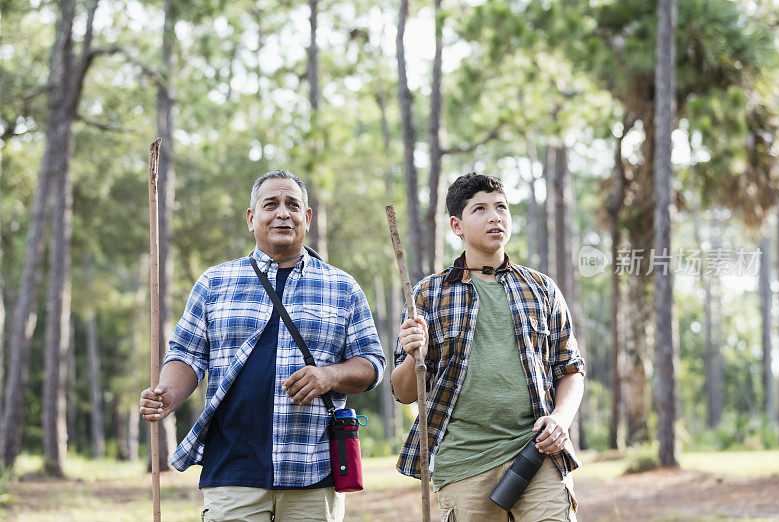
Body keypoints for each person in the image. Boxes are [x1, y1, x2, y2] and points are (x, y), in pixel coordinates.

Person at [140, 170, 385, 522]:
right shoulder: (214, 282)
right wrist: (165, 394)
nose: (282, 213)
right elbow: (186, 356)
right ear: (252, 219)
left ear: (307, 218)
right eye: (271, 204)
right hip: (232, 468)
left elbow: (372, 364)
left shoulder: (343, 288)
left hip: (313, 470)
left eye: (293, 205)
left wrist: (329, 376)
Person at [392, 173, 585, 521]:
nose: (495, 216)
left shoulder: (542, 289)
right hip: (464, 461)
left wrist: (560, 419)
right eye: (480, 209)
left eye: (501, 207)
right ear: (457, 226)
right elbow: (404, 392)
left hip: (536, 452)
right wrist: (411, 354)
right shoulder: (427, 295)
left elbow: (570, 369)